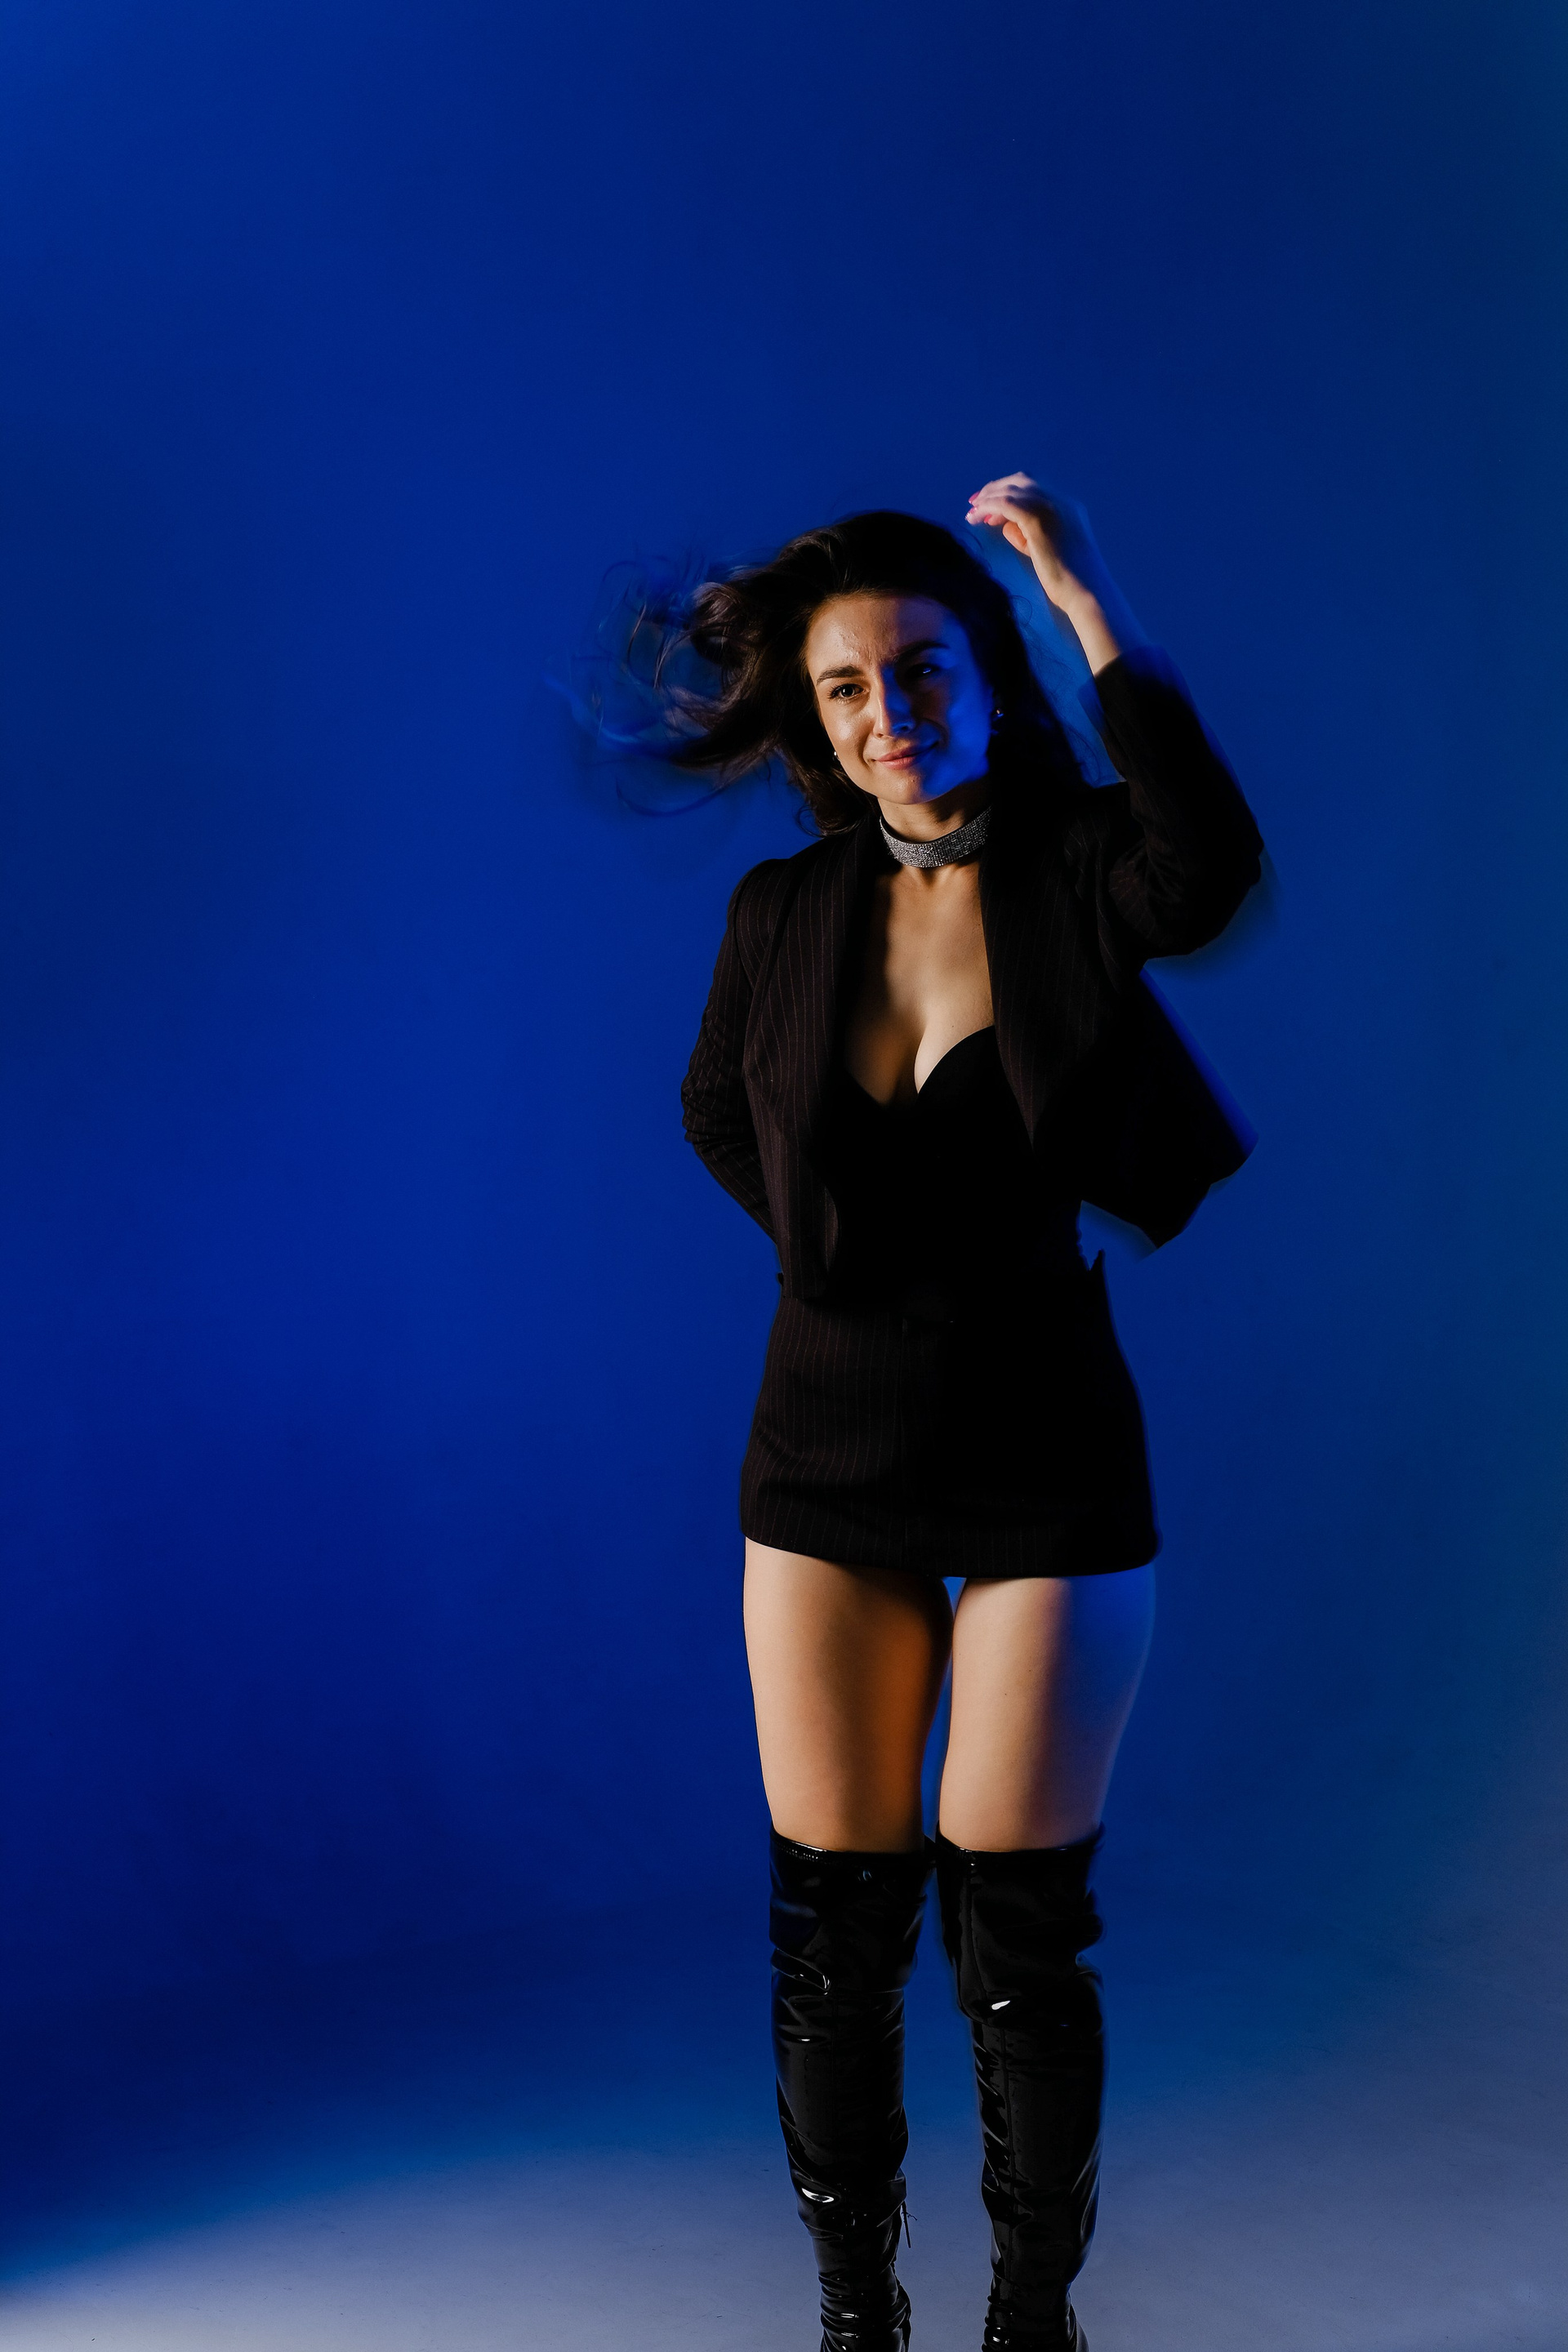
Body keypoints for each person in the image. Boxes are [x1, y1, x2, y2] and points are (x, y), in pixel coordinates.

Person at [674, 476, 1263, 2352]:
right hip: (823, 1462)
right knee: (832, 1935)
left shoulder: (1083, 871)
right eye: (846, 689)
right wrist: (853, 1256)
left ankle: (1030, 2327)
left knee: (1018, 1939)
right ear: (816, 721)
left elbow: (1210, 867)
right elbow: (719, 1111)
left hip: (1045, 1458)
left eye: (921, 671)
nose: (887, 717)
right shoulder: (784, 911)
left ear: (987, 681)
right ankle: (859, 2325)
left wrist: (1085, 598)